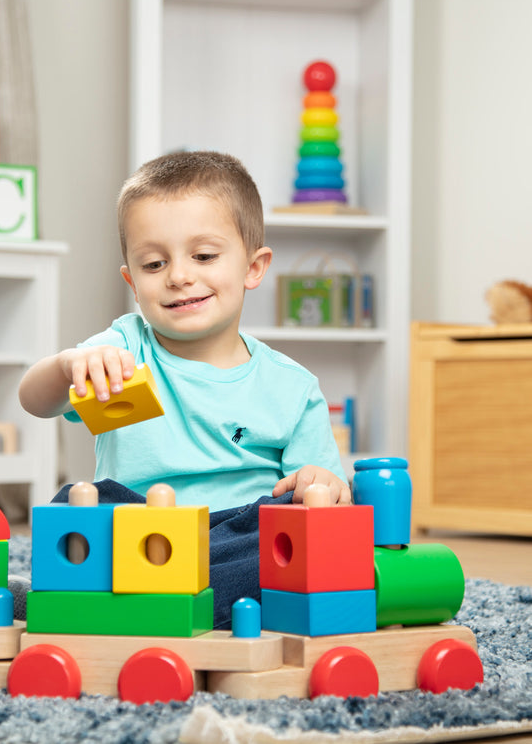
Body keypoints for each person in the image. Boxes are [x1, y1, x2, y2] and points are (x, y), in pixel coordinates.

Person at [18, 150, 350, 627]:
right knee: (79, 504)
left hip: (233, 536)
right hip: (137, 527)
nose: (178, 275)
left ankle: (110, 608)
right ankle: (136, 604)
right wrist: (70, 365)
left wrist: (324, 482)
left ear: (253, 268)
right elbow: (34, 401)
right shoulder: (123, 347)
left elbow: (316, 495)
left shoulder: (292, 388)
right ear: (132, 282)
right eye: (154, 264)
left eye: (204, 256)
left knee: (305, 541)